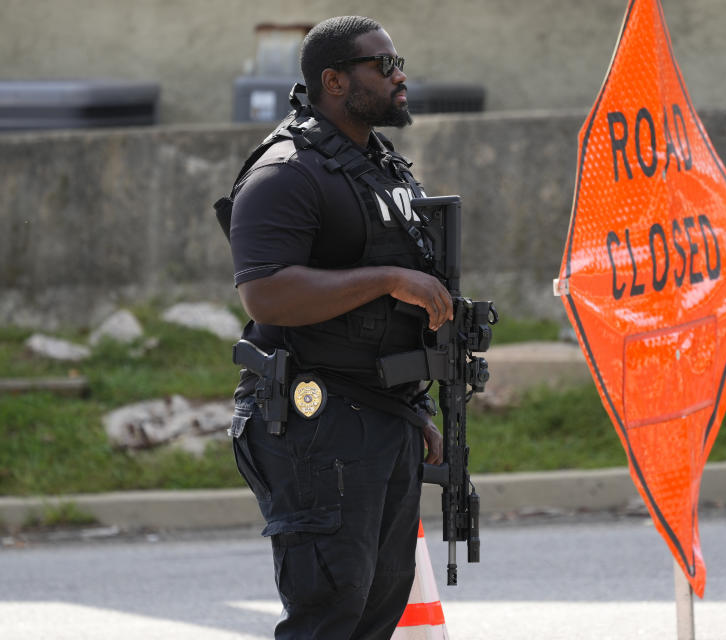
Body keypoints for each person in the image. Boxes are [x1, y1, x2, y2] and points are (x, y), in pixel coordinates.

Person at [226, 16, 452, 639]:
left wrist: (414, 407)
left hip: (381, 414)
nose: (400, 74)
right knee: (330, 615)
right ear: (333, 81)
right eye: (382, 66)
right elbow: (266, 292)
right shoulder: (287, 172)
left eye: (398, 61)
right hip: (315, 424)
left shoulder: (380, 167)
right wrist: (387, 279)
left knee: (376, 612)